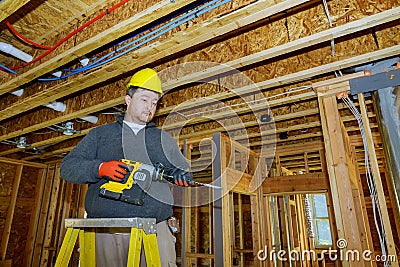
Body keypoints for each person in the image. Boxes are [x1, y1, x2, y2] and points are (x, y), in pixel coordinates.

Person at [60, 68, 192, 267]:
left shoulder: (163, 139)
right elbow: (68, 167)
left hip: (154, 229)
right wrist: (100, 168)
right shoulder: (100, 135)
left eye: (155, 102)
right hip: (106, 231)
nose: (150, 107)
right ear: (128, 100)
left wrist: (182, 175)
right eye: (144, 99)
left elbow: (183, 170)